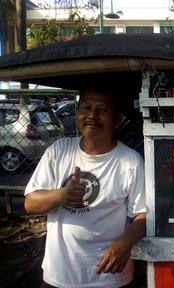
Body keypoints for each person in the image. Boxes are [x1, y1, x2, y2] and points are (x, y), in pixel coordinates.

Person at [24, 88, 146, 288]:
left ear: (117, 120)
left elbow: (142, 215)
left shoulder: (130, 162)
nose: (92, 115)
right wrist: (61, 195)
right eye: (86, 108)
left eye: (102, 110)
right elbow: (30, 203)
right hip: (60, 275)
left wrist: (124, 246)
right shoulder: (59, 151)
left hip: (109, 277)